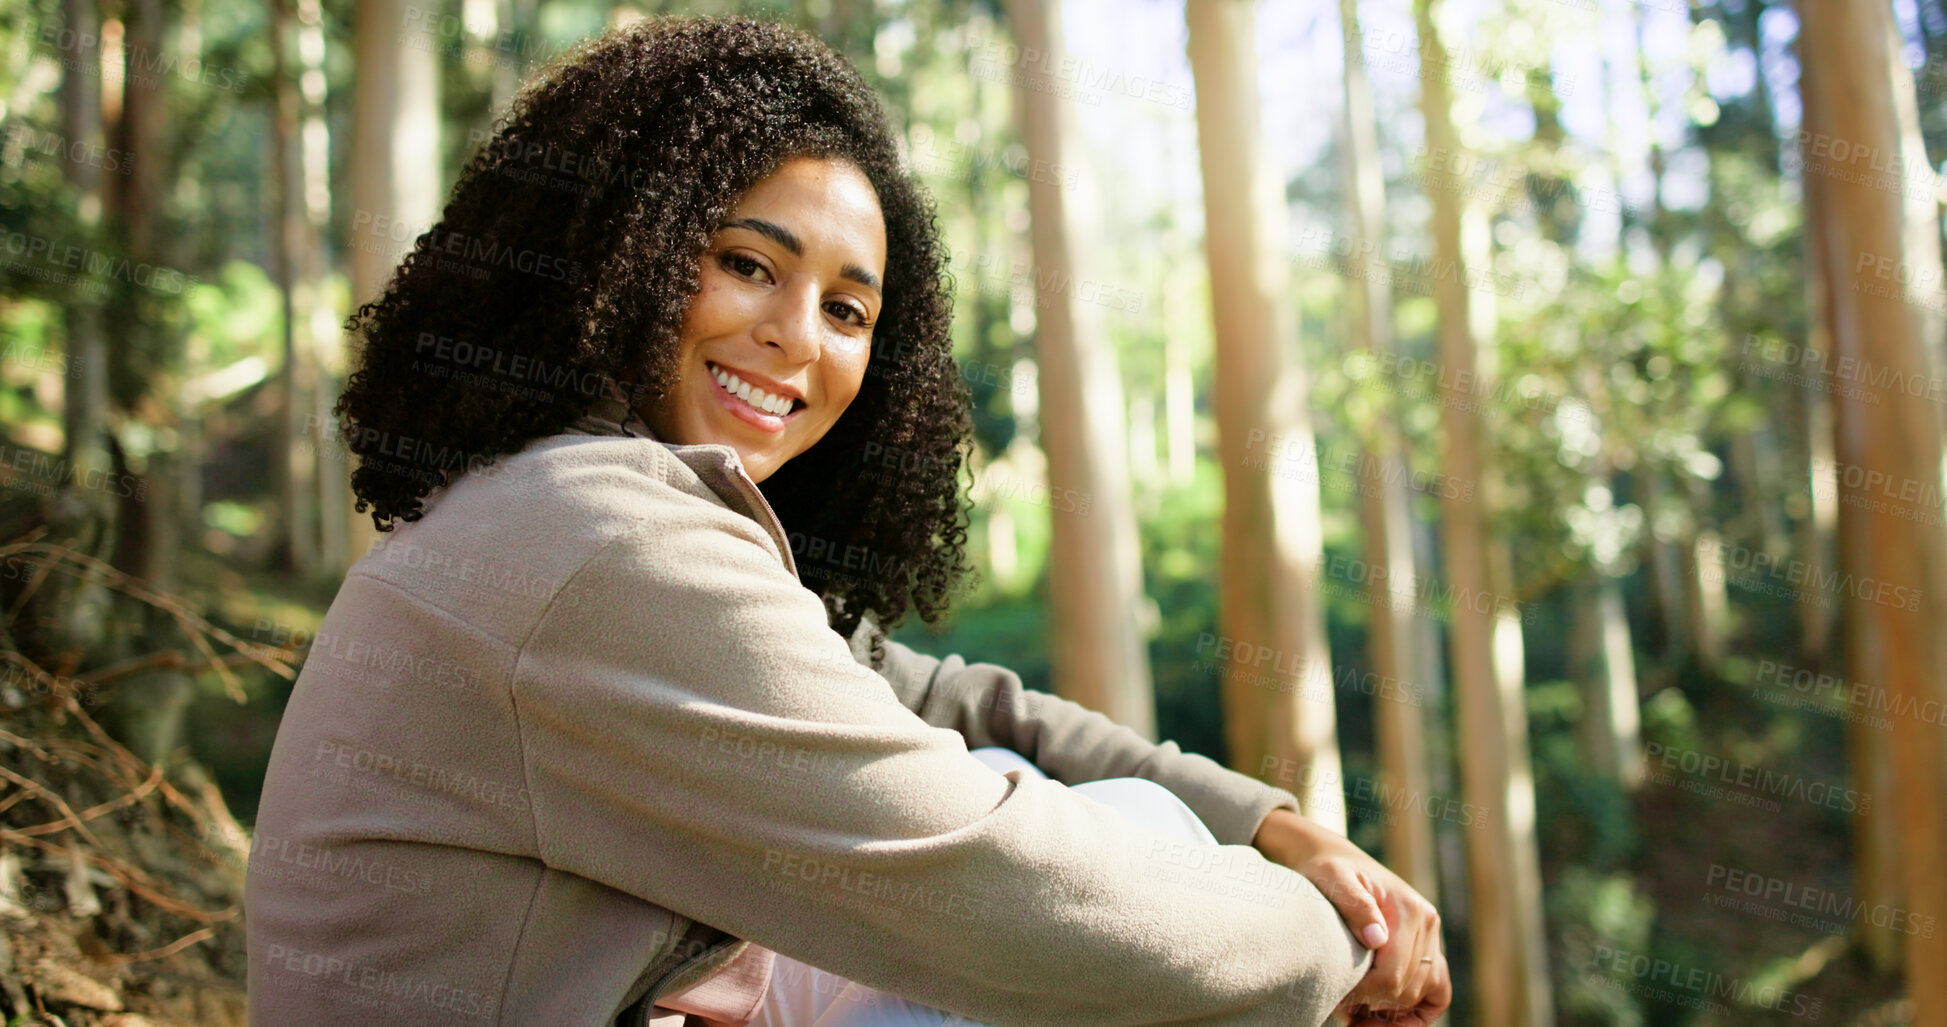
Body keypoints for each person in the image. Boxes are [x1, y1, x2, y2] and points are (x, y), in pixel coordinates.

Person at [244, 15, 1449, 1027]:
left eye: (849, 309)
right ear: (625, 250)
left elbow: (944, 699)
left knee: (1112, 811)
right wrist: (1335, 939)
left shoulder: (561, 500)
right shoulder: (598, 542)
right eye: (748, 265)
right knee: (1106, 889)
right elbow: (996, 886)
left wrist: (1275, 826)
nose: (796, 338)